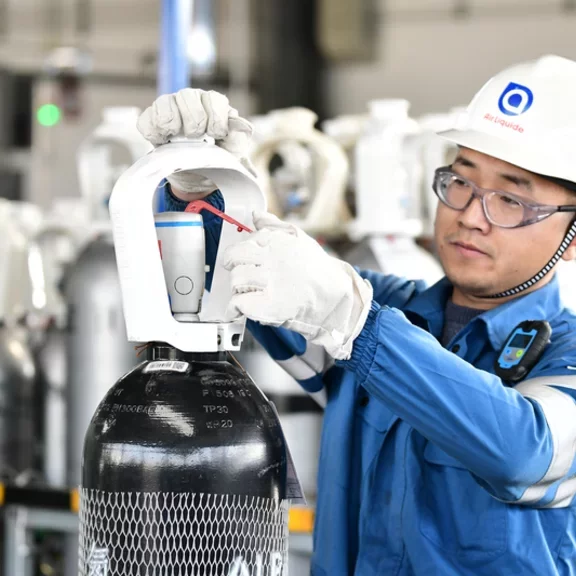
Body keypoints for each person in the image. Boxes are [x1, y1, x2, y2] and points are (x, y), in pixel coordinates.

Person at [137, 55, 576, 575]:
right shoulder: (388, 308)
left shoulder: (560, 356)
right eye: (461, 182)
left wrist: (355, 323)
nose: (469, 216)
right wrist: (200, 185)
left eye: (509, 199)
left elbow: (524, 453)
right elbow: (237, 262)